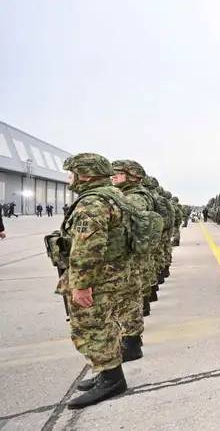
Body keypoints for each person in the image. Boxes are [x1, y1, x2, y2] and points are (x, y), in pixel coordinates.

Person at [57, 153, 132, 409]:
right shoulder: (113, 195)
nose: (69, 177)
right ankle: (107, 372)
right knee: (105, 323)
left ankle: (112, 379)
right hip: (112, 272)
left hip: (98, 277)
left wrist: (81, 285)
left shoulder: (93, 202)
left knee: (93, 326)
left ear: (85, 174)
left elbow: (88, 248)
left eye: (72, 172)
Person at [111, 159, 155, 361]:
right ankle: (129, 339)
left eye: (118, 173)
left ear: (132, 176)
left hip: (130, 257)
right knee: (126, 298)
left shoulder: (137, 197)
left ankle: (132, 344)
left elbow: (128, 212)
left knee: (128, 299)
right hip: (126, 255)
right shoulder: (125, 195)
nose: (113, 176)